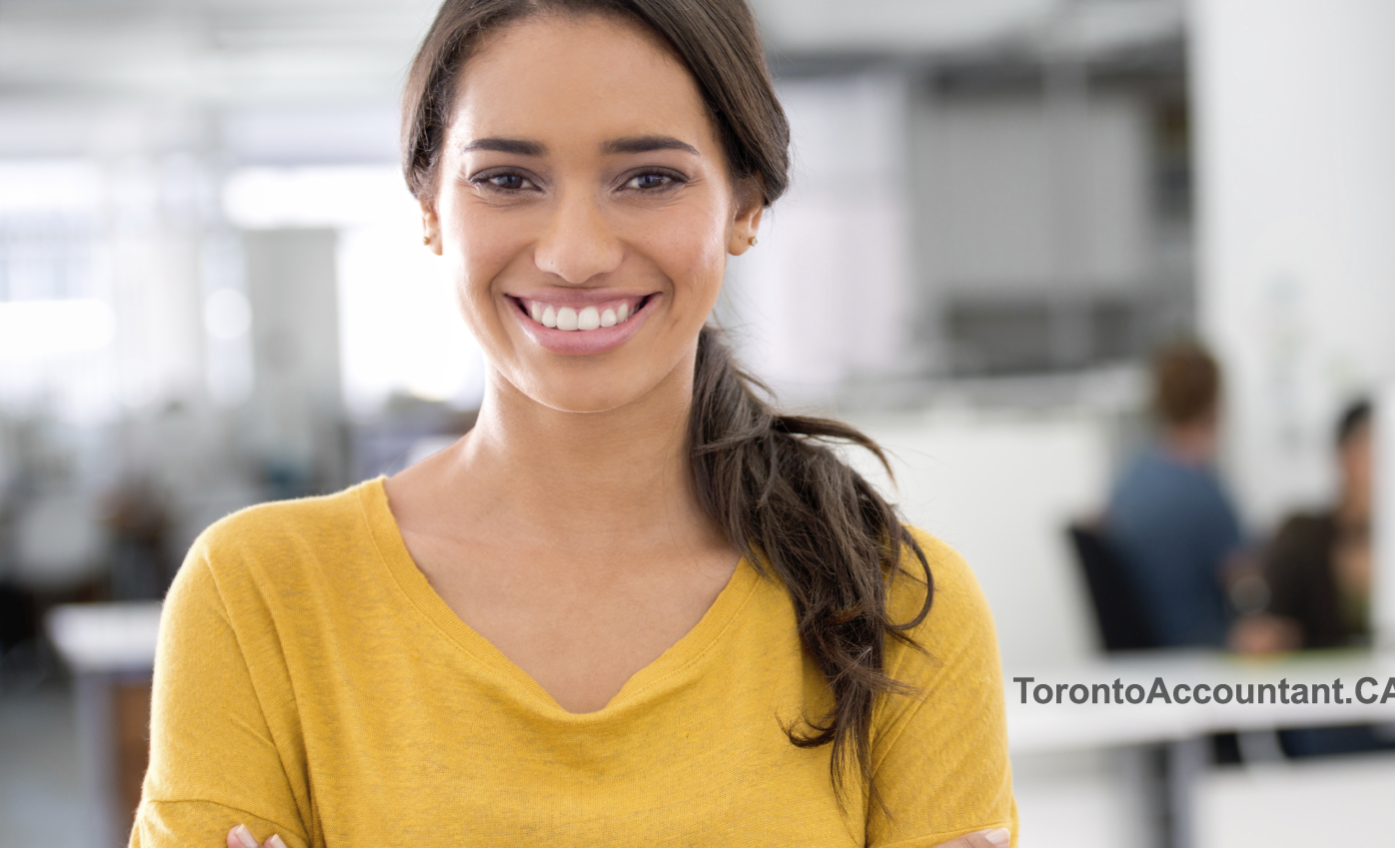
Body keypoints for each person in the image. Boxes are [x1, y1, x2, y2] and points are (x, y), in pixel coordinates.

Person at [131, 3, 1016, 846]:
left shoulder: (893, 601)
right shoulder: (259, 597)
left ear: (745, 203)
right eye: (507, 179)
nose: (576, 254)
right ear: (432, 207)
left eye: (649, 178)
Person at [1100, 340, 1245, 648]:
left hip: (1148, 648)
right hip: (1199, 646)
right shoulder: (1204, 494)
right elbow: (1244, 581)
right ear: (1214, 404)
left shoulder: (1130, 478)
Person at [1231, 400, 1373, 654]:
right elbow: (1265, 626)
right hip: (1323, 689)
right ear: (1343, 455)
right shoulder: (1301, 536)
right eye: (1369, 449)